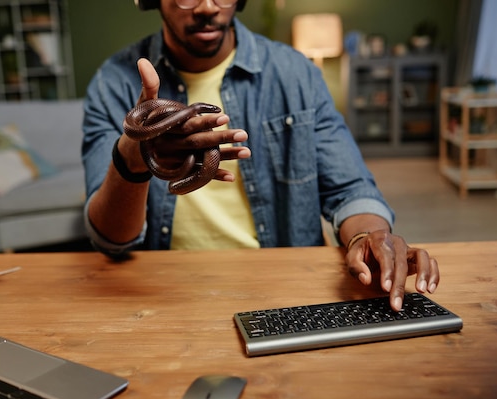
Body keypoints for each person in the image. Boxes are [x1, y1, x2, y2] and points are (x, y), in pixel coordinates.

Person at [82, 0, 440, 311]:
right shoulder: (113, 83)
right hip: (161, 293)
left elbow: (350, 188)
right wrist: (133, 156)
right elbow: (111, 239)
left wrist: (368, 237)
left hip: (284, 291)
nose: (208, 7)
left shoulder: (296, 73)